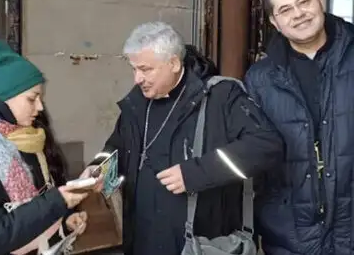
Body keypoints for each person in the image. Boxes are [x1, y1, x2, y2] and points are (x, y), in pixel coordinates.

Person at [81, 21, 283, 255]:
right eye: (133, 69)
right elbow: (116, 146)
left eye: (145, 69)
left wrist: (198, 172)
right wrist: (100, 169)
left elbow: (266, 146)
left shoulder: (220, 97)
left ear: (174, 63)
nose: (137, 79)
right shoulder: (137, 103)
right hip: (142, 239)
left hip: (198, 243)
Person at [244, 0, 354, 254]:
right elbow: (254, 154)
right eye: (285, 10)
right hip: (289, 234)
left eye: (304, 1)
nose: (298, 14)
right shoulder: (260, 79)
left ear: (320, 1)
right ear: (274, 22)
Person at [0, 40, 88, 255]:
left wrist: (64, 222)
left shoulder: (27, 138)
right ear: (5, 99)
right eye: (32, 99)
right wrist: (56, 202)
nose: (40, 108)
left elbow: (32, 213)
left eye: (40, 98)